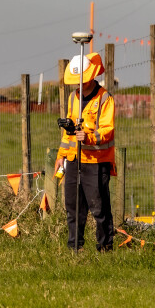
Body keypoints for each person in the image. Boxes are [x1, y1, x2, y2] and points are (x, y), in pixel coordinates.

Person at [53, 52, 116, 252]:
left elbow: (107, 129)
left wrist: (88, 137)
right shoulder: (73, 97)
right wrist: (61, 156)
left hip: (96, 161)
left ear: (90, 77)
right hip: (73, 160)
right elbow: (68, 133)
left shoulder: (104, 98)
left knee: (99, 208)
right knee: (73, 207)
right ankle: (75, 248)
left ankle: (105, 247)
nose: (77, 85)